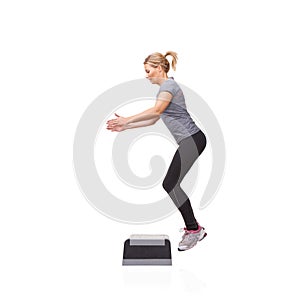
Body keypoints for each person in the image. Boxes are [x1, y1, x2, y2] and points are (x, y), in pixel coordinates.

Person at [106, 51, 207, 251]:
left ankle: (194, 230)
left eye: (148, 70)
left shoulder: (168, 86)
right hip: (190, 141)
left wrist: (127, 119)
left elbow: (156, 111)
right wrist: (125, 127)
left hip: (192, 139)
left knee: (170, 183)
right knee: (171, 184)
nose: (147, 75)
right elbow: (153, 119)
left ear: (159, 68)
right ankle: (194, 228)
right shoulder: (165, 89)